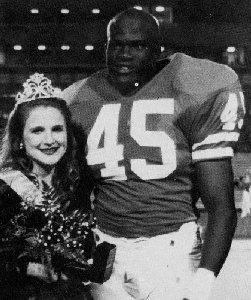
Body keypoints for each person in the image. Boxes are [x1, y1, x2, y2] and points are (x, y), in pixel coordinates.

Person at [62, 8, 245, 300]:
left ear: (157, 50)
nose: (124, 53)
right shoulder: (78, 99)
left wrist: (204, 279)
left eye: (137, 45)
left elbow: (221, 206)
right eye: (116, 44)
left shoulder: (195, 86)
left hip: (170, 251)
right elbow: (76, 196)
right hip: (105, 250)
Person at [0, 73, 93, 299]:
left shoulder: (78, 183)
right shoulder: (6, 188)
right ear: (20, 139)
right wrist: (31, 269)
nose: (50, 140)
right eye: (37, 130)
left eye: (57, 129)